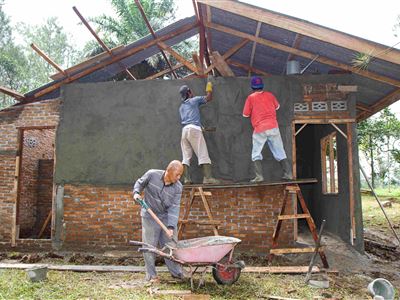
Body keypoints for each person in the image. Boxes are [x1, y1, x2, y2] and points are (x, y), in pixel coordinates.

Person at [132, 160, 185, 282]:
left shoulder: (178, 187)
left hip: (166, 217)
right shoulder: (152, 175)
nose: (179, 177)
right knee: (149, 246)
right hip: (149, 215)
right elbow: (139, 183)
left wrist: (171, 227)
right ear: (168, 171)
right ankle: (151, 275)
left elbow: (174, 208)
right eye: (177, 174)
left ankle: (176, 273)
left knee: (171, 245)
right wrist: (136, 193)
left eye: (180, 175)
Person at [242, 76, 293, 182]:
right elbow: (277, 107)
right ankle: (288, 174)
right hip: (273, 127)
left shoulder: (251, 98)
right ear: (262, 86)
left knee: (256, 152)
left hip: (260, 128)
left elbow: (245, 114)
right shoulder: (270, 95)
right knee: (279, 150)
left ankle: (259, 176)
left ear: (252, 87)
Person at [178, 82, 219, 184]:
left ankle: (187, 179)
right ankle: (208, 178)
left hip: (185, 131)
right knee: (202, 153)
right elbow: (208, 98)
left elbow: (190, 118)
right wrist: (209, 85)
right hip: (194, 130)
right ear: (189, 93)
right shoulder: (194, 100)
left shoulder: (181, 107)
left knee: (186, 156)